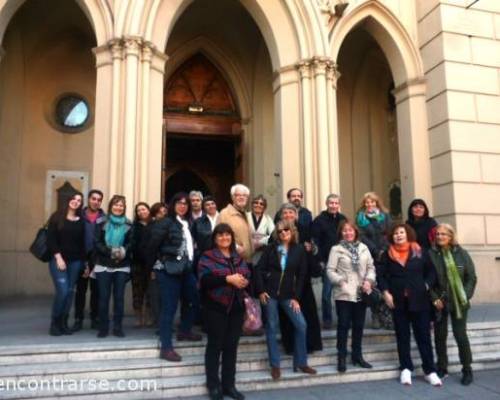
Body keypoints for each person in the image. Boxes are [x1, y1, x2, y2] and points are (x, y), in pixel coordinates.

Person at [378, 223, 442, 386]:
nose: (398, 235)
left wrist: (426, 285)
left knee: (424, 336)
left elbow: (432, 272)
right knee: (402, 336)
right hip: (398, 301)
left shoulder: (420, 251)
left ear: (408, 234)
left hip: (420, 300)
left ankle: (430, 370)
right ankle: (406, 368)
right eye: (396, 233)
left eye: (402, 232)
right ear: (392, 237)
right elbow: (381, 275)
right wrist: (385, 292)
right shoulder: (387, 254)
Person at [255, 220, 317, 380]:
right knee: (272, 326)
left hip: (289, 295)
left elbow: (302, 275)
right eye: (280, 231)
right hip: (270, 294)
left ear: (292, 232)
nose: (283, 233)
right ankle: (275, 365)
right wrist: (261, 290)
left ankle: (301, 362)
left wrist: (297, 298)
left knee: (301, 324)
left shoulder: (299, 250)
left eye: (286, 230)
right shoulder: (271, 249)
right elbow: (258, 269)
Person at [198, 223, 250, 400]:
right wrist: (228, 279)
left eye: (227, 235)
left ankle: (229, 385)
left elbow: (247, 273)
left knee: (231, 347)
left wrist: (243, 281)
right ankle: (213, 385)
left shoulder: (238, 257)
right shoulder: (207, 257)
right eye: (220, 235)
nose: (224, 238)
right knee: (215, 346)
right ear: (215, 238)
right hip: (216, 307)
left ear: (231, 237)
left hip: (236, 307)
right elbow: (205, 281)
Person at [147, 192, 202, 362]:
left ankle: (184, 331)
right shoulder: (164, 222)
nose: (183, 206)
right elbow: (150, 246)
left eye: (185, 203)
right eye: (179, 203)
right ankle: (166, 347)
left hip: (186, 269)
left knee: (194, 299)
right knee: (169, 308)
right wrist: (153, 267)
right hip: (168, 270)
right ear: (173, 205)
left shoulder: (187, 223)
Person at [429, 223, 477, 385]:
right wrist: (434, 298)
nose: (440, 237)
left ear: (451, 236)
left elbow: (471, 277)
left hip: (459, 301)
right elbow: (426, 280)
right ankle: (442, 367)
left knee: (460, 335)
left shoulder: (462, 254)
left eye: (444, 234)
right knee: (440, 336)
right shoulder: (431, 254)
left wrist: (465, 295)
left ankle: (467, 369)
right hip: (440, 302)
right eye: (438, 234)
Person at [327, 220, 375, 372]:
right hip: (344, 293)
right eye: (345, 230)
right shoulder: (336, 249)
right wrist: (340, 281)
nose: (348, 233)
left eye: (351, 230)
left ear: (355, 232)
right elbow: (330, 270)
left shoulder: (363, 248)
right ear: (341, 233)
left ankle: (357, 356)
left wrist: (369, 280)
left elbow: (371, 267)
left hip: (361, 292)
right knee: (343, 325)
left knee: (359, 326)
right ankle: (341, 357)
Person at [278, 203, 323, 354]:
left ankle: (310, 344)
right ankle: (291, 346)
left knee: (308, 312)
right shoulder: (277, 231)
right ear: (281, 215)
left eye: (291, 212)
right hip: (284, 281)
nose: (288, 215)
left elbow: (312, 250)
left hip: (303, 279)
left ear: (296, 215)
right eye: (285, 213)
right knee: (287, 315)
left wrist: (311, 250)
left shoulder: (304, 230)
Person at [47, 191, 86, 336]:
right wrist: (58, 257)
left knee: (70, 292)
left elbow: (82, 244)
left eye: (79, 200)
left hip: (75, 262)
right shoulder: (57, 217)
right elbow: (51, 240)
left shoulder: (81, 220)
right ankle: (55, 323)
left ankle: (64, 322)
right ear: (68, 200)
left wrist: (85, 263)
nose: (76, 201)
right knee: (62, 291)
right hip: (59, 261)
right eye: (74, 198)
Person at [94, 195, 133, 338]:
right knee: (103, 298)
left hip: (121, 265)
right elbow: (97, 242)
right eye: (116, 204)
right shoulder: (101, 222)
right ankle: (103, 327)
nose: (118, 207)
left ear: (124, 208)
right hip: (104, 264)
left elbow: (131, 243)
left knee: (119, 298)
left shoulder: (129, 224)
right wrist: (110, 251)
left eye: (121, 205)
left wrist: (123, 250)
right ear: (111, 206)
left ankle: (118, 327)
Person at [355, 192, 392, 329]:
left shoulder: (385, 216)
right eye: (367, 202)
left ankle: (386, 313)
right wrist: (375, 250)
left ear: (377, 203)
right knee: (371, 285)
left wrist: (384, 249)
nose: (370, 205)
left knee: (385, 283)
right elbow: (361, 236)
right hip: (369, 254)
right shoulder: (360, 218)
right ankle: (375, 313)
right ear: (364, 204)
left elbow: (390, 233)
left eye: (372, 202)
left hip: (385, 253)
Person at [311, 193, 347, 330]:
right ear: (326, 204)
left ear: (339, 205)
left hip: (343, 261)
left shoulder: (343, 219)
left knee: (343, 293)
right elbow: (316, 242)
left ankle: (343, 319)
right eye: (331, 203)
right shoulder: (319, 220)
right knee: (326, 294)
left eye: (336, 203)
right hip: (327, 262)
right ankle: (327, 320)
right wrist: (319, 260)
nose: (333, 205)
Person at [73, 189, 105, 332]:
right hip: (80, 258)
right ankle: (78, 319)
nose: (96, 202)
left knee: (96, 291)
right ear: (88, 199)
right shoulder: (78, 215)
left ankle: (95, 318)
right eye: (93, 199)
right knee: (80, 290)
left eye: (99, 200)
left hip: (97, 259)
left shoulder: (105, 218)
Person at [218, 184, 253, 264]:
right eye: (238, 195)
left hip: (246, 261)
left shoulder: (246, 214)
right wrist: (235, 247)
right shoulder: (225, 214)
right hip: (231, 261)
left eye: (244, 195)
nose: (242, 197)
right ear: (232, 197)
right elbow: (218, 236)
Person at [131, 202, 152, 327]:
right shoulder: (134, 226)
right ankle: (138, 318)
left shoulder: (154, 225)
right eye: (138, 210)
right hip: (137, 264)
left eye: (143, 209)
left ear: (148, 210)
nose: (141, 212)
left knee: (150, 291)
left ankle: (149, 316)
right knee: (137, 292)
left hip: (151, 264)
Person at [246, 194, 274, 265]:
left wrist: (261, 241)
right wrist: (251, 242)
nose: (258, 205)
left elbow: (273, 234)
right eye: (256, 203)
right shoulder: (245, 216)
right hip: (247, 249)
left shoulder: (268, 219)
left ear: (264, 207)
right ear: (252, 204)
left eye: (261, 204)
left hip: (261, 250)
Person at [192, 196, 219, 261]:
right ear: (203, 207)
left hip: (222, 255)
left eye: (212, 203)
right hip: (205, 256)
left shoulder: (223, 217)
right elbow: (194, 238)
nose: (211, 206)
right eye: (207, 205)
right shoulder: (198, 222)